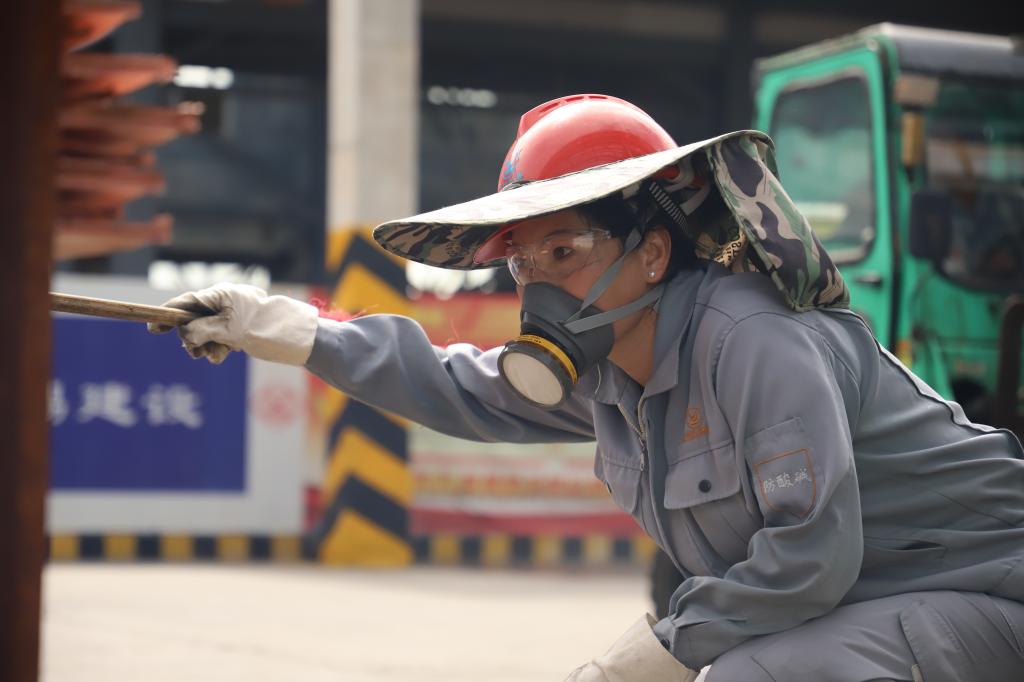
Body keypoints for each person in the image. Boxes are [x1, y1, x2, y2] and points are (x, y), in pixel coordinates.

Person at [152, 94, 1024, 681]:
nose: (538, 286)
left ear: (652, 252)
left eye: (563, 252)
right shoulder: (611, 370)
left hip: (989, 596)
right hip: (874, 605)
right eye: (522, 263)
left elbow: (809, 562)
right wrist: (289, 332)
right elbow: (457, 386)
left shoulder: (754, 342)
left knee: (758, 676)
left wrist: (649, 658)